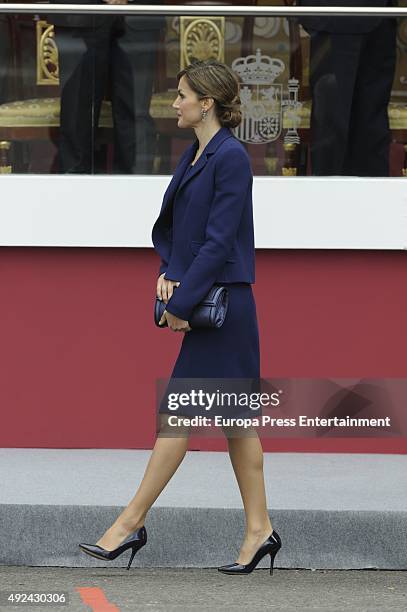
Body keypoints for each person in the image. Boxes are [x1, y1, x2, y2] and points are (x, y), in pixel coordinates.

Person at [79, 60, 282, 575]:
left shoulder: (230, 158)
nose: (175, 102)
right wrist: (168, 272)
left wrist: (179, 304)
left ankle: (129, 524)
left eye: (182, 95)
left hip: (224, 308)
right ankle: (260, 530)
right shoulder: (195, 154)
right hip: (206, 298)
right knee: (236, 421)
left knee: (183, 415)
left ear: (207, 103)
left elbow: (218, 243)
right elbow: (172, 226)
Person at [51, 0, 165, 173]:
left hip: (137, 12)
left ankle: (136, 194)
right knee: (77, 113)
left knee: (135, 113)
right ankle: (73, 193)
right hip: (79, 12)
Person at [295, 0, 397, 176]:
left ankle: (373, 199)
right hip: (335, 15)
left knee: (372, 121)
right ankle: (329, 198)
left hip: (381, 15)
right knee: (333, 121)